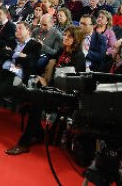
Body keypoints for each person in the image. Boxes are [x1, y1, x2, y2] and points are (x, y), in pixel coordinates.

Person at [5, 26, 86, 155]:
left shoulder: (78, 57)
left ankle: (24, 143)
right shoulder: (62, 50)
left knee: (36, 101)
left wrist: (48, 83)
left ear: (76, 40)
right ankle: (37, 134)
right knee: (33, 93)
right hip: (54, 88)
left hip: (67, 94)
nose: (65, 38)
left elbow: (71, 82)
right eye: (65, 35)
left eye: (69, 36)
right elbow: (49, 57)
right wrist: (44, 79)